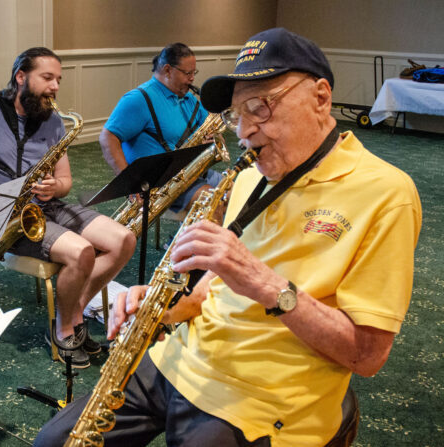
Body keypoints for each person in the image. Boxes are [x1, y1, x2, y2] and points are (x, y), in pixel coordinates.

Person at [35, 27, 422, 447]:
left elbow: (366, 357)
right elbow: (209, 295)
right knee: (53, 442)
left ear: (321, 97)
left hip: (265, 397)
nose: (244, 132)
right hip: (181, 359)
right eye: (238, 116)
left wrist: (263, 282)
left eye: (260, 107)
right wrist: (162, 306)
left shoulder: (386, 193)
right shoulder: (249, 178)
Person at [0, 47, 136, 369]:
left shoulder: (53, 120)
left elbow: (66, 179)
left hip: (46, 206)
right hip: (4, 215)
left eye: (58, 79)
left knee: (124, 239)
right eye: (47, 78)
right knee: (81, 252)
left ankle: (74, 312)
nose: (55, 86)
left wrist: (55, 187)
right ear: (20, 77)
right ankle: (64, 328)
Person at [99, 43, 222, 214]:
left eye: (194, 73)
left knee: (238, 193)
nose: (192, 78)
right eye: (188, 73)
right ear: (167, 70)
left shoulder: (188, 97)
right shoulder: (138, 99)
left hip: (192, 171)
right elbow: (107, 138)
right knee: (213, 203)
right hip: (161, 181)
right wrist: (129, 183)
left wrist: (212, 138)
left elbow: (209, 128)